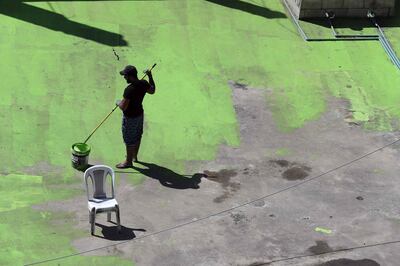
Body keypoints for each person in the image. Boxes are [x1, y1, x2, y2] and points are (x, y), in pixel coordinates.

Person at [115, 65, 156, 168]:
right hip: (139, 115)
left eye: (125, 76)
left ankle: (128, 162)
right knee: (137, 136)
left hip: (130, 118)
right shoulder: (143, 83)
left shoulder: (129, 89)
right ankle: (134, 156)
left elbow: (123, 107)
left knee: (129, 139)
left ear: (130, 76)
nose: (124, 77)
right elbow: (152, 90)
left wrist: (118, 102)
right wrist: (150, 76)